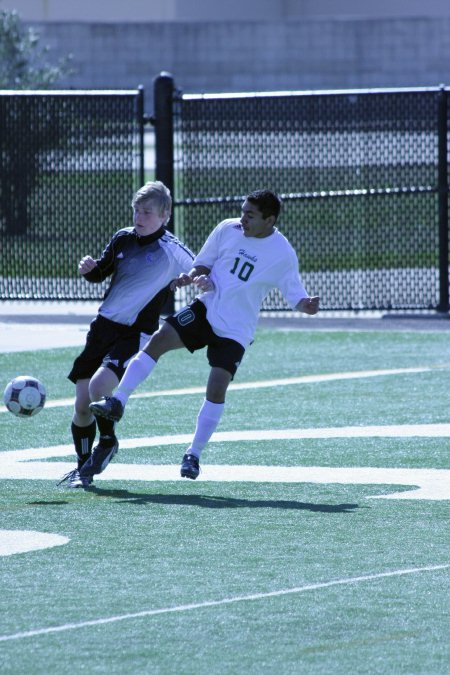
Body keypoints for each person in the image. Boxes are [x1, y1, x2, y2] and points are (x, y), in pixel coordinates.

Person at [89, 189, 320, 480]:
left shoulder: (283, 253)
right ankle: (118, 400)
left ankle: (193, 454)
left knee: (216, 387)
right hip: (206, 309)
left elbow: (295, 295)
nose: (243, 218)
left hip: (236, 330)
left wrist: (306, 305)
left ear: (269, 220)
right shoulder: (228, 228)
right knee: (159, 340)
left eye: (250, 215)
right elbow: (203, 262)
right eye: (243, 211)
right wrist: (191, 276)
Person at [59, 180, 195, 488]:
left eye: (147, 212)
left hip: (135, 332)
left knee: (98, 387)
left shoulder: (171, 250)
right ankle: (84, 469)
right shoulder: (123, 238)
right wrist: (89, 268)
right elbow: (102, 272)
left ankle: (107, 442)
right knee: (82, 407)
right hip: (103, 326)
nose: (139, 217)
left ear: (165, 215)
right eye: (136, 210)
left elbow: (201, 268)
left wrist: (192, 279)